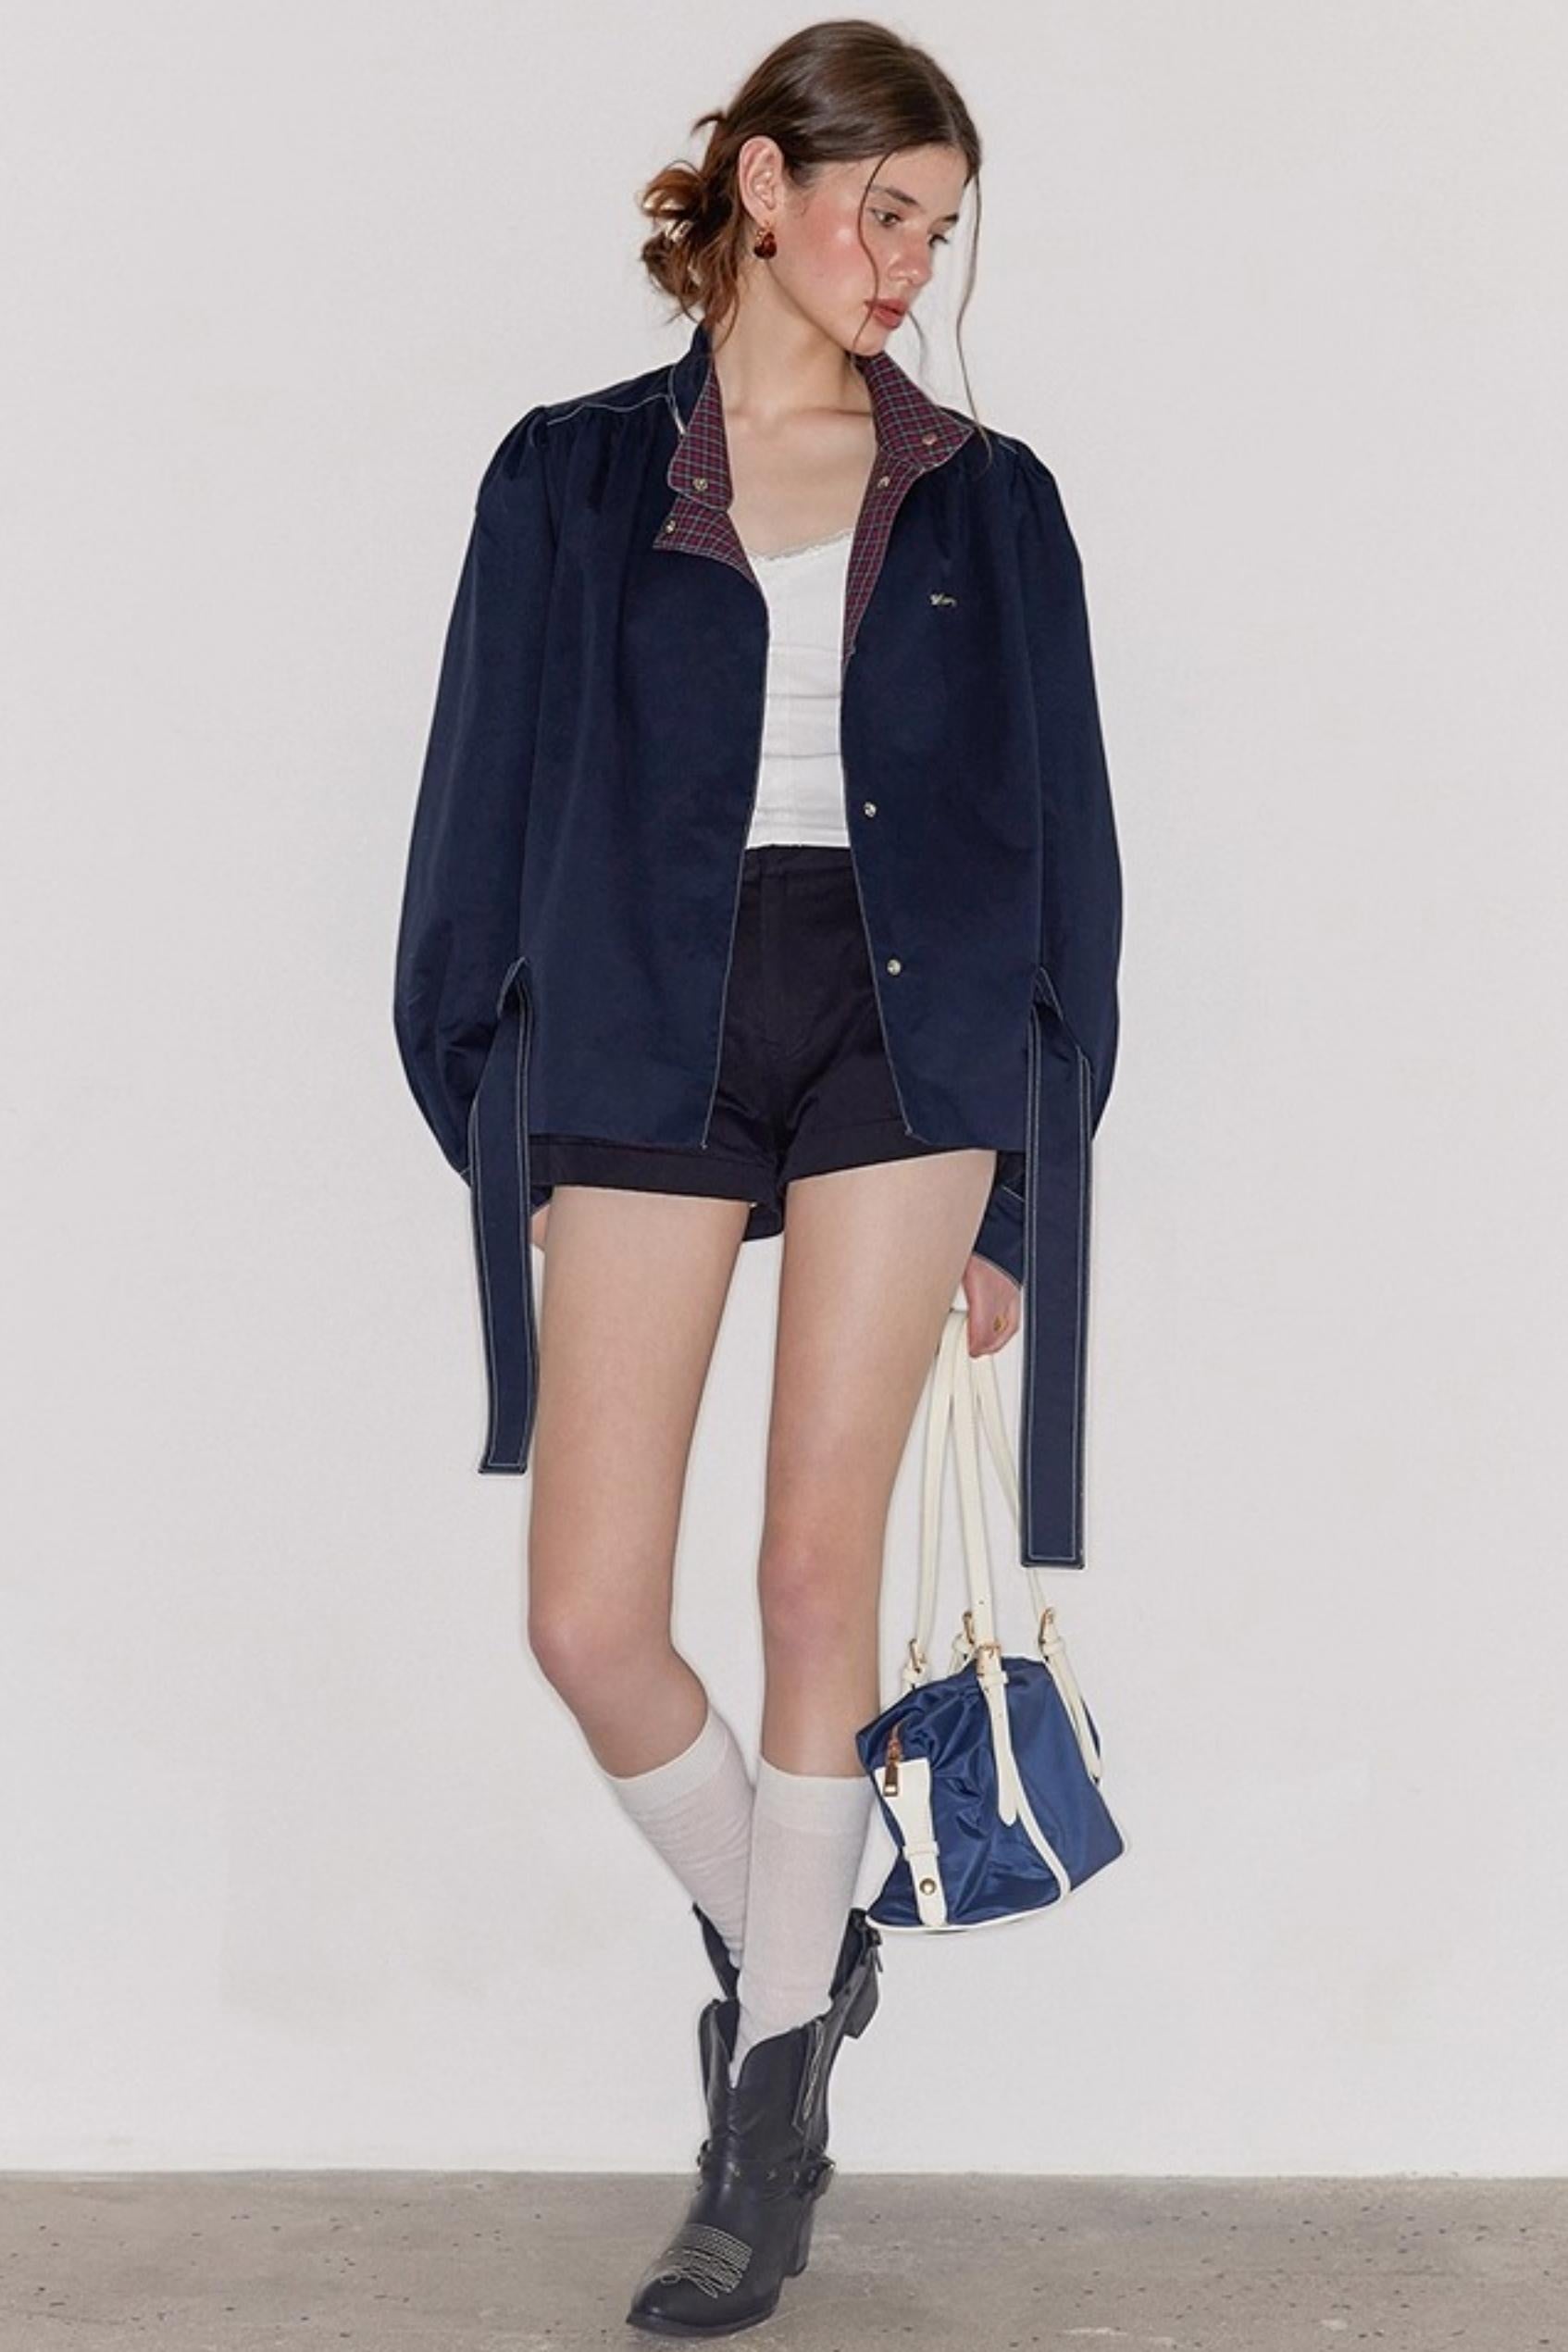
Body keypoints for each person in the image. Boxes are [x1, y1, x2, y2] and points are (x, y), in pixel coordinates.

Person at [392, 19, 1123, 2336]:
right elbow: (474, 810)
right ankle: (790, 1926)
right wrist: (485, 1106)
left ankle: (766, 2122)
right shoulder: (571, 477)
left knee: (819, 1572)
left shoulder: (986, 499)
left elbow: (1068, 848)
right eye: (879, 208)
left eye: (938, 226)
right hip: (640, 1007)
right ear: (761, 186)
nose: (908, 261)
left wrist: (1023, 1192)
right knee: (586, 1612)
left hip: (909, 1023)